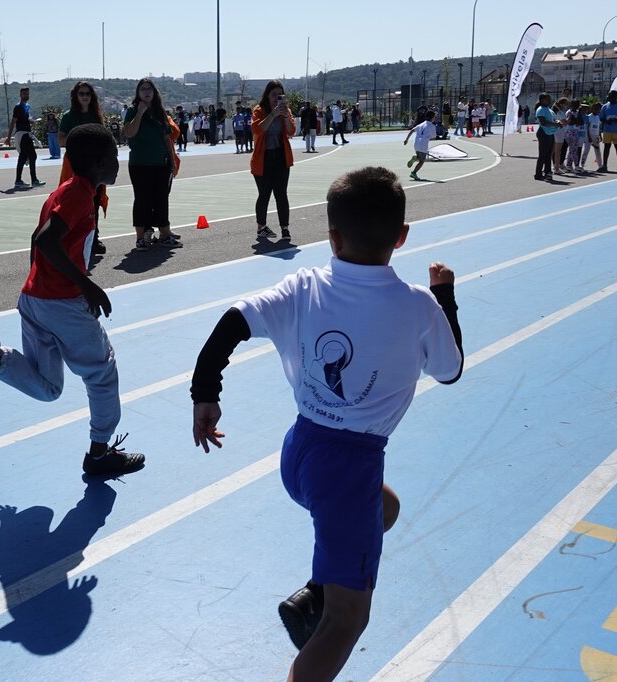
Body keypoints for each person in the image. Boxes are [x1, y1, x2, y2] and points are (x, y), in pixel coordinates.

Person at [190, 165, 463, 681]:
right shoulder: (419, 307)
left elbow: (232, 321)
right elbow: (450, 372)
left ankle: (316, 591)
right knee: (347, 622)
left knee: (387, 508)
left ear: (331, 236)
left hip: (300, 454)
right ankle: (328, 603)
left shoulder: (303, 286)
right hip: (349, 469)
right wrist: (445, 296)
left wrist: (205, 393)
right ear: (402, 237)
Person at [0, 123, 144, 476]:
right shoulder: (80, 194)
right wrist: (86, 286)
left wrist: (37, 283)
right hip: (64, 304)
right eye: (114, 155)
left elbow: (37, 238)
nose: (117, 162)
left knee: (49, 387)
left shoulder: (66, 190)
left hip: (36, 298)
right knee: (101, 372)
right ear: (99, 162)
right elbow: (48, 240)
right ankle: (99, 455)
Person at [123, 78, 182, 251]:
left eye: (149, 89)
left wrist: (171, 161)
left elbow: (166, 138)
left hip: (161, 164)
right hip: (140, 165)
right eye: (143, 89)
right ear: (138, 93)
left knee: (161, 200)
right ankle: (141, 238)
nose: (146, 92)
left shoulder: (160, 112)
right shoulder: (132, 111)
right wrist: (140, 113)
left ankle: (165, 234)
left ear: (154, 92)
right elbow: (129, 132)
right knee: (142, 200)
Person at [59, 81, 108, 255]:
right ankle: (72, 239)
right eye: (81, 93)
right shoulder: (68, 116)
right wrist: (78, 138)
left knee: (92, 204)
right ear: (76, 96)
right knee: (74, 203)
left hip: (94, 168)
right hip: (75, 167)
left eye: (88, 93)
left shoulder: (96, 115)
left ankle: (93, 238)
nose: (85, 96)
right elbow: (61, 140)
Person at [250, 80, 297, 241]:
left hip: (281, 157)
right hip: (263, 158)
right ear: (267, 95)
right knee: (264, 194)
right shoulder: (259, 110)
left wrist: (284, 117)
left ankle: (285, 228)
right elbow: (257, 129)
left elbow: (291, 131)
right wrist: (273, 114)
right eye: (274, 94)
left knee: (281, 194)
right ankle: (261, 227)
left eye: (280, 94)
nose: (277, 98)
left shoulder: (286, 111)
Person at [6, 87, 45, 189]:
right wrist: (9, 137)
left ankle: (18, 181)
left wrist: (33, 121)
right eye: (24, 94)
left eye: (27, 94)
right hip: (22, 134)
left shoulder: (27, 107)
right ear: (20, 95)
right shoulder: (18, 107)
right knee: (33, 155)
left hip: (27, 133)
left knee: (23, 157)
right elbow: (13, 122)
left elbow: (26, 119)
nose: (26, 96)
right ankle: (34, 180)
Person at [534, 92, 562, 182]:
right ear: (542, 100)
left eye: (549, 99)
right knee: (543, 155)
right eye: (547, 99)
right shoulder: (541, 109)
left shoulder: (549, 109)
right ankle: (538, 174)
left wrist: (558, 122)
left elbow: (553, 119)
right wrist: (556, 124)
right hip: (543, 133)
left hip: (550, 133)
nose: (549, 100)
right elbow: (543, 123)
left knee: (549, 154)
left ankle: (547, 172)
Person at [404, 110, 437, 181]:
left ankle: (415, 158)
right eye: (434, 117)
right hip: (423, 145)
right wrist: (429, 138)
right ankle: (413, 173)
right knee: (422, 161)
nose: (435, 118)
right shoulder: (432, 126)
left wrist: (406, 139)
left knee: (420, 157)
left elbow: (412, 130)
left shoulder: (421, 124)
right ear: (432, 117)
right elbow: (434, 137)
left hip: (416, 144)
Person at [582, 101, 602, 172]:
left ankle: (600, 165)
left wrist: (600, 135)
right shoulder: (589, 117)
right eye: (595, 108)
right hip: (589, 136)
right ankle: (582, 165)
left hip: (596, 136)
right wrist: (589, 137)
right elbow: (587, 128)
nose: (596, 110)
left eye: (598, 108)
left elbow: (598, 127)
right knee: (586, 150)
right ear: (592, 108)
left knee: (597, 151)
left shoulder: (598, 117)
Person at [600, 90, 617, 173]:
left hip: (616, 131)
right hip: (607, 130)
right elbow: (601, 118)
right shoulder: (605, 106)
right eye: (608, 95)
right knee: (607, 147)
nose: (608, 97)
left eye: (610, 95)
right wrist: (607, 121)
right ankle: (604, 165)